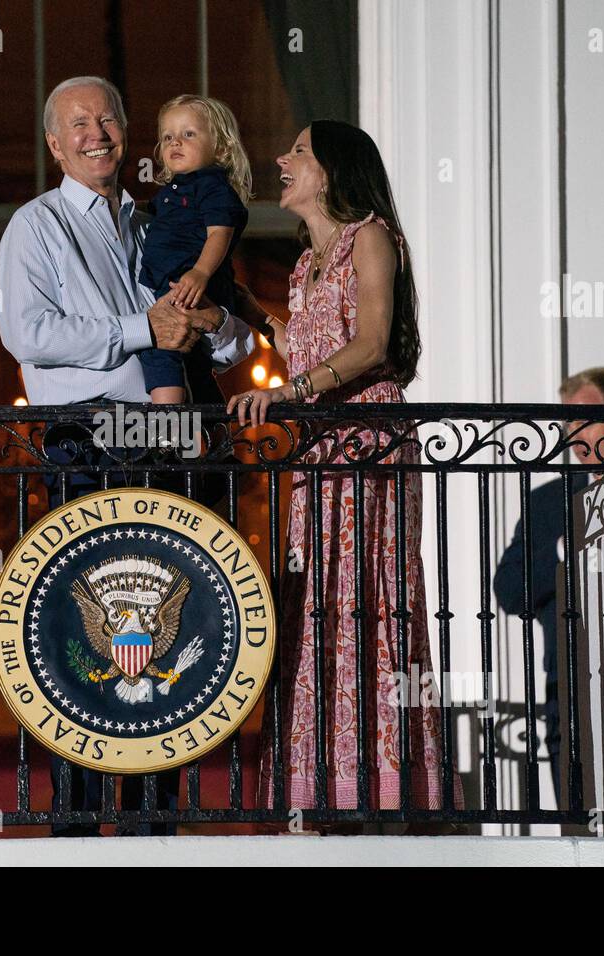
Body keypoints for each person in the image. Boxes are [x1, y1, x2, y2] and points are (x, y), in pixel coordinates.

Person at [0, 75, 254, 835]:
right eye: (78, 122)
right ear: (54, 143)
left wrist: (209, 320)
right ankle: (76, 825)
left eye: (108, 117)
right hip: (87, 438)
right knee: (86, 636)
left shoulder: (160, 220)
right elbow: (30, 335)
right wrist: (144, 329)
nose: (97, 132)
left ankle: (154, 824)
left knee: (174, 633)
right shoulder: (34, 226)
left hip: (171, 446)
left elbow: (232, 339)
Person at [227, 120, 463, 829]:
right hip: (315, 451)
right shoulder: (304, 265)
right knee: (314, 602)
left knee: (367, 600)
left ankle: (380, 786)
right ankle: (319, 784)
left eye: (297, 150)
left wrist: (290, 395)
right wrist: (246, 314)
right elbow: (307, 343)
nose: (281, 158)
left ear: (331, 170)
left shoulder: (371, 235)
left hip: (365, 440)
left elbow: (370, 342)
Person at [493, 366, 604, 806]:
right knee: (578, 811)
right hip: (569, 679)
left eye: (586, 418)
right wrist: (562, 553)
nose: (576, 433)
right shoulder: (546, 503)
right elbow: (508, 589)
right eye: (567, 423)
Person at [137, 95, 252, 405]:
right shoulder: (171, 192)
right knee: (196, 364)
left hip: (192, 287)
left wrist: (201, 271)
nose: (176, 142)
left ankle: (168, 428)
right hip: (173, 286)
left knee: (159, 347)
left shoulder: (212, 187)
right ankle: (214, 431)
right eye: (168, 137)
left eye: (189, 134)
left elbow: (219, 233)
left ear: (221, 147)